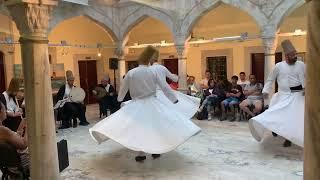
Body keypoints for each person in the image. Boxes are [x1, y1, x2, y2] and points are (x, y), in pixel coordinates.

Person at [89, 46, 200, 162]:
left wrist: (119, 99)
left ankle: (141, 153)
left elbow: (123, 89)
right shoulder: (152, 72)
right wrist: (173, 99)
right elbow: (164, 87)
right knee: (153, 127)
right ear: (148, 60)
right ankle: (154, 151)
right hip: (153, 103)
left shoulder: (131, 73)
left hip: (137, 104)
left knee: (139, 128)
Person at [249, 40, 305, 147]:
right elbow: (270, 79)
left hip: (297, 95)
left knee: (292, 118)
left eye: (295, 54)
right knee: (276, 115)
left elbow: (308, 78)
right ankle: (276, 129)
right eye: (292, 55)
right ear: (286, 56)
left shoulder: (301, 65)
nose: (294, 56)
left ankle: (289, 138)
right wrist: (265, 91)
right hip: (283, 95)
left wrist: (306, 88)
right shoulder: (279, 66)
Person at [148, 50, 201, 118]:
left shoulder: (148, 69)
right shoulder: (162, 68)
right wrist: (177, 77)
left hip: (153, 94)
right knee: (173, 107)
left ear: (150, 61)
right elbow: (174, 78)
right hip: (164, 92)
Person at [0, 102, 29, 173]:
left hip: (6, 164)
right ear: (0, 112)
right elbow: (23, 144)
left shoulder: (3, 130)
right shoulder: (3, 130)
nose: (6, 111)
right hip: (19, 165)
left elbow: (15, 137)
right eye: (5, 109)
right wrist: (29, 128)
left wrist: (22, 123)